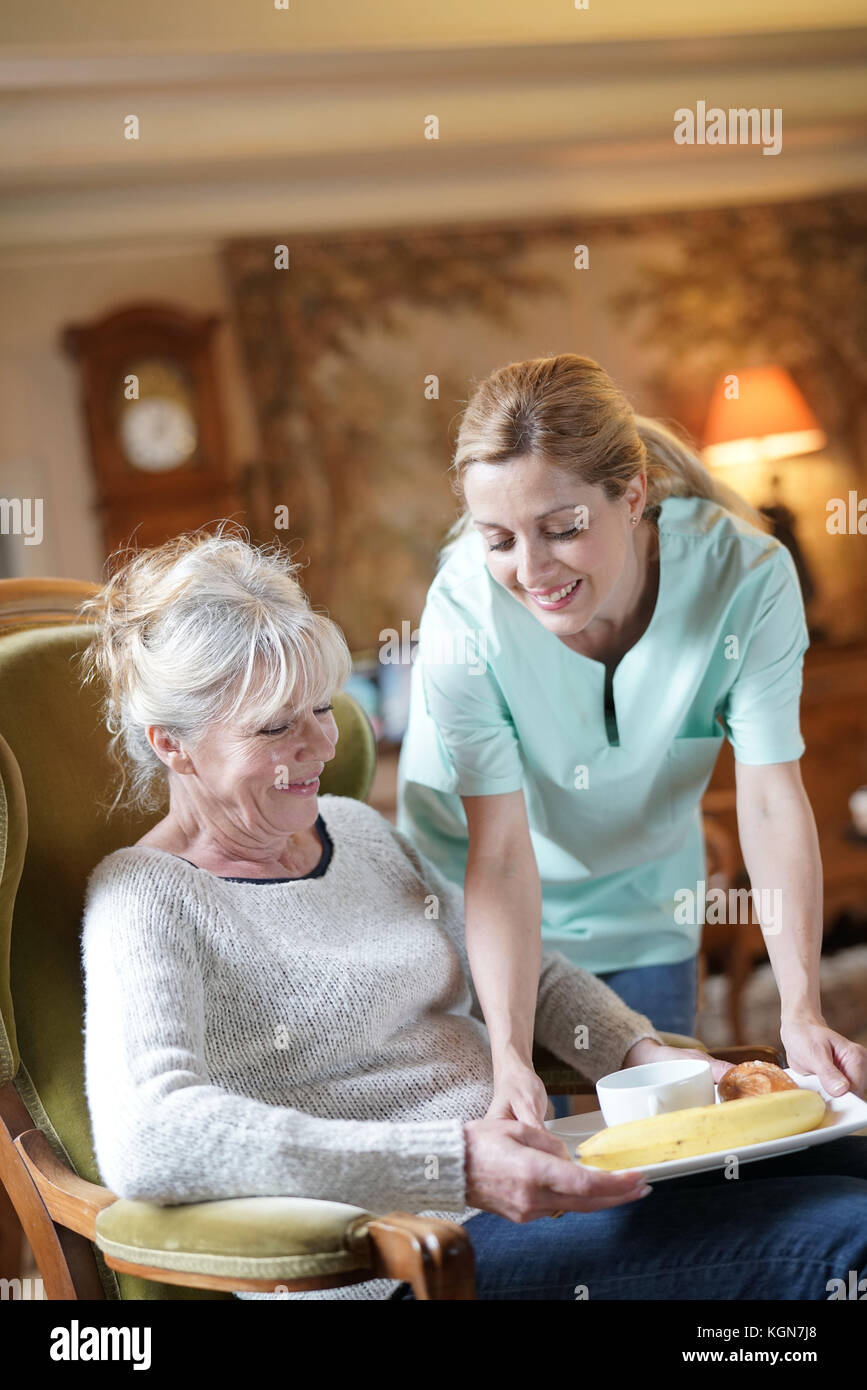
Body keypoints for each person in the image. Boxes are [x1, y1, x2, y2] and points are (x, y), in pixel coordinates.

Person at [78, 528, 867, 1302]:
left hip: (539, 1175)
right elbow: (151, 1136)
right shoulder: (145, 899)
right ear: (172, 745)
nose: (318, 744)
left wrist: (644, 1059)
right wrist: (455, 1163)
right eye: (275, 727)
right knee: (844, 1239)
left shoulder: (354, 829)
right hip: (401, 1257)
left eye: (321, 708)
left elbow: (534, 969)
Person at [395, 353, 867, 1127]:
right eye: (498, 539)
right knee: (534, 1162)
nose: (530, 570)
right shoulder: (463, 612)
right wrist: (510, 1057)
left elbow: (772, 802)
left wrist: (799, 1009)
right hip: (478, 909)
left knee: (669, 1158)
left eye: (561, 529)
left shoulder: (744, 580)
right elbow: (502, 851)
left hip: (644, 901)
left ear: (633, 494)